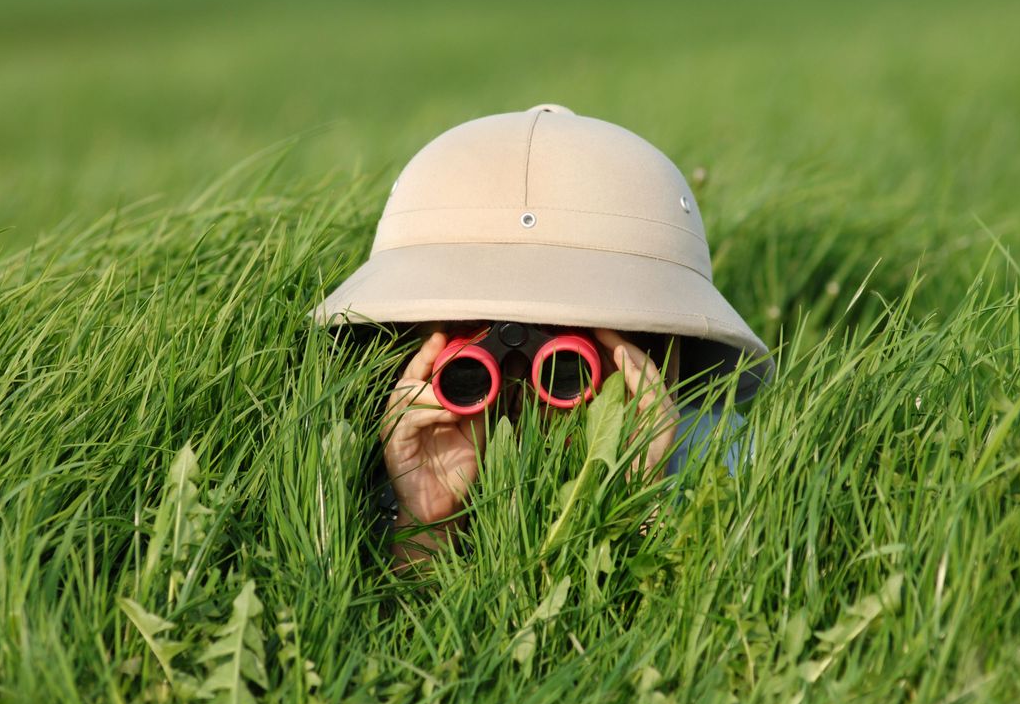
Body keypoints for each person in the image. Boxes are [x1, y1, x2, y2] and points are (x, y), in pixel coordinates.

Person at [315, 104, 772, 568]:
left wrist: (635, 495)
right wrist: (426, 519)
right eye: (472, 359)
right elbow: (384, 638)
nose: (520, 384)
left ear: (649, 348)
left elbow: (699, 636)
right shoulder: (359, 473)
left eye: (565, 365)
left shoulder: (730, 464)